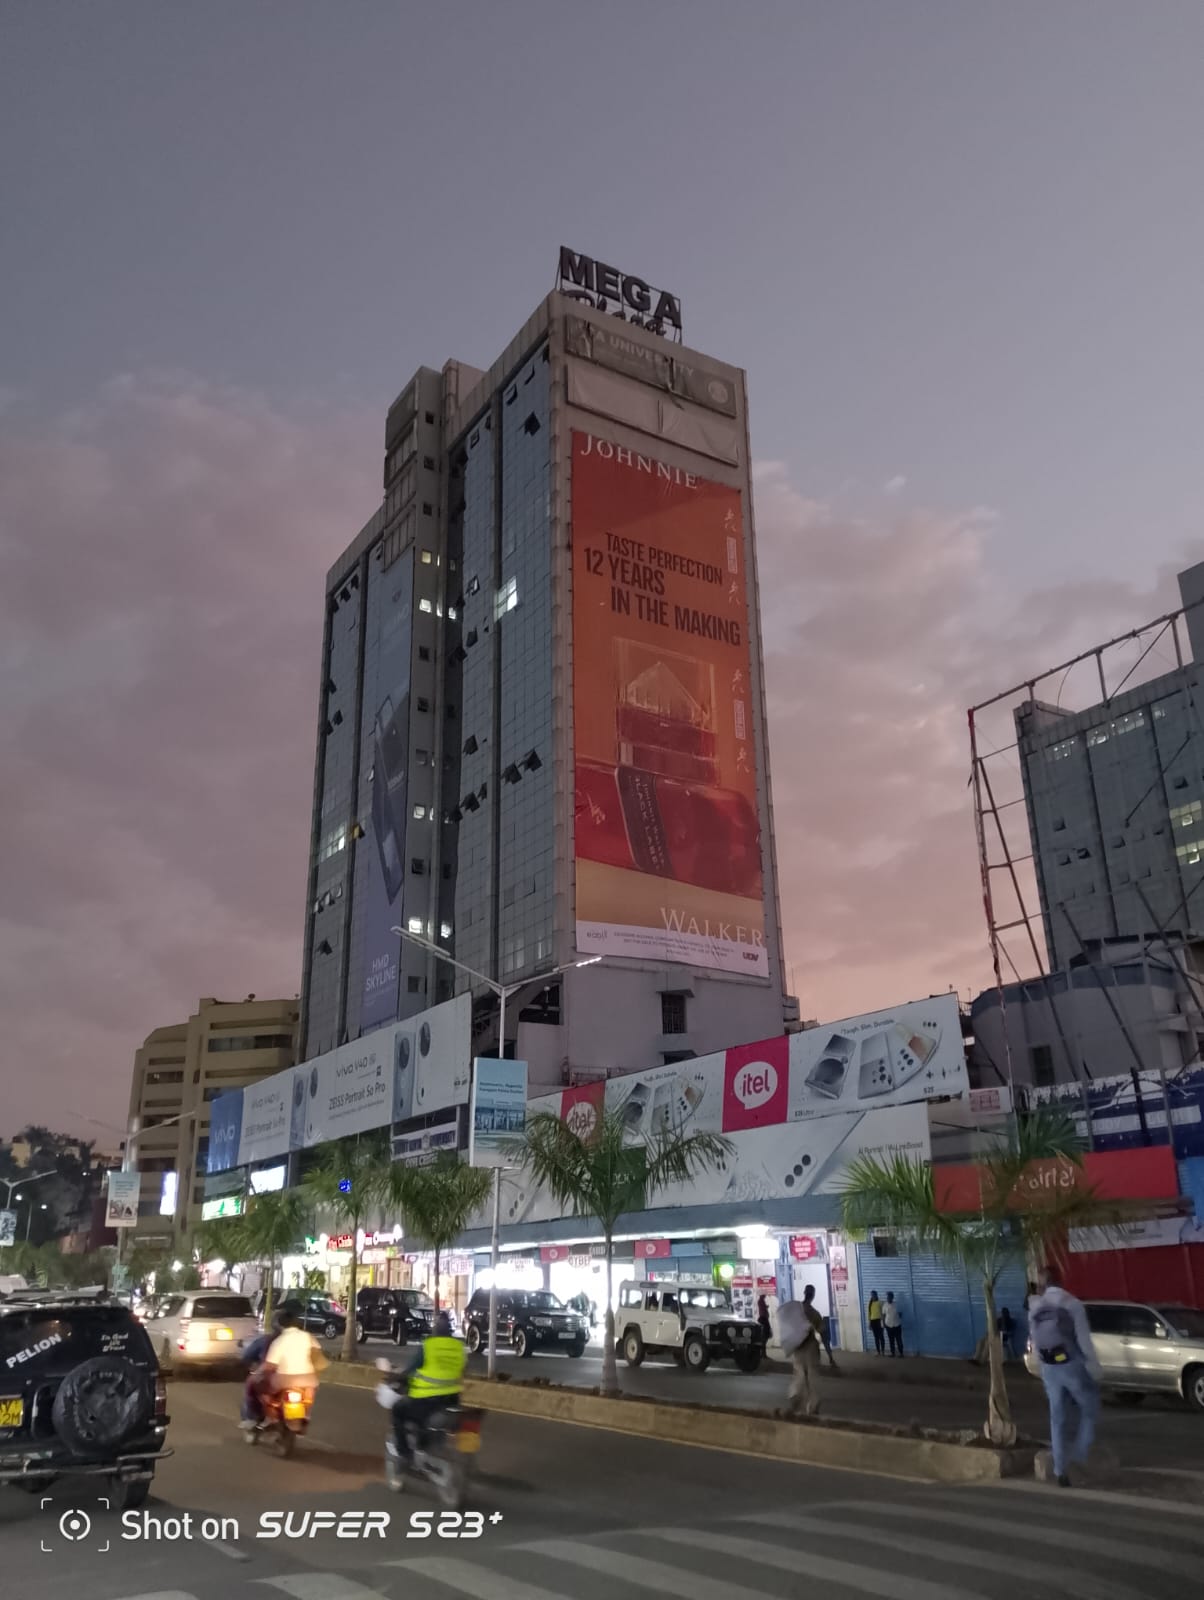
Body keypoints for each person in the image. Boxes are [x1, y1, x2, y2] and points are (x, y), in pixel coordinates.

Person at [1028, 1264, 1101, 1488]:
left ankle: (1060, 1469)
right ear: (1060, 1280)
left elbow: (1034, 1341)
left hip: (1049, 1366)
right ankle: (1078, 1453)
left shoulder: (1036, 1306)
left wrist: (1042, 1367)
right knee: (1090, 1406)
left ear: (1041, 1284)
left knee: (1057, 1417)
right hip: (1071, 1364)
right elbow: (1084, 1340)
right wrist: (1094, 1367)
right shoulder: (1072, 1304)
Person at [389, 1310, 466, 1472]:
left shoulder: (428, 1346)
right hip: (453, 1400)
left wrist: (398, 1378)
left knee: (398, 1410)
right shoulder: (459, 1347)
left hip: (428, 1401)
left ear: (435, 1329)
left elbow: (411, 1368)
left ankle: (405, 1455)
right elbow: (462, 1370)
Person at [778, 1285, 831, 1417]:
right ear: (813, 1295)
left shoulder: (796, 1310)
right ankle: (813, 1406)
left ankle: (795, 1397)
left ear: (804, 1293)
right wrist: (830, 1356)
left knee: (799, 1374)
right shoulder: (814, 1313)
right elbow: (822, 1332)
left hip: (798, 1348)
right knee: (812, 1376)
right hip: (810, 1347)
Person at [262, 1306, 323, 1402]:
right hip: (307, 1379)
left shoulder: (278, 1341)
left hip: (284, 1380)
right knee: (309, 1395)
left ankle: (274, 1407)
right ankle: (306, 1407)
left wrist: (265, 1375)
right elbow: (317, 1354)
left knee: (268, 1395)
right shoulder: (307, 1336)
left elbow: (270, 1365)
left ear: (281, 1324)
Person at [239, 1312, 281, 1428]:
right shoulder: (300, 1341)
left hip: (271, 1378)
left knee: (250, 1385)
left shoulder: (266, 1340)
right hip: (298, 1377)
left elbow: (247, 1356)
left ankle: (251, 1418)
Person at [883, 1291, 904, 1356]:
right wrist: (884, 1324)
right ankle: (893, 1353)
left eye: (890, 1297)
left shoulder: (897, 1305)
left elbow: (900, 1314)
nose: (888, 1298)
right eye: (887, 1297)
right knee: (891, 1340)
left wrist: (897, 1317)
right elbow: (883, 1315)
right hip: (888, 1325)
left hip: (897, 1325)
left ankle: (901, 1353)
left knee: (899, 1340)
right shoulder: (885, 1305)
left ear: (892, 1297)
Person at [867, 1290, 885, 1354]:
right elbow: (869, 1314)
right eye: (871, 1295)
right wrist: (869, 1323)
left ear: (876, 1295)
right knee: (876, 1337)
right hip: (873, 1321)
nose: (873, 1296)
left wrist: (883, 1321)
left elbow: (883, 1313)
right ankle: (878, 1351)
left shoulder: (880, 1302)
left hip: (879, 1321)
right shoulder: (870, 1304)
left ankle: (883, 1351)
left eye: (874, 1295)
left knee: (881, 1337)